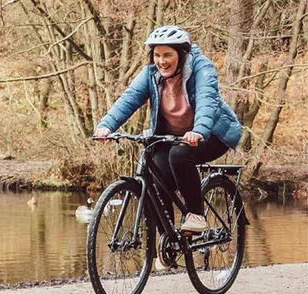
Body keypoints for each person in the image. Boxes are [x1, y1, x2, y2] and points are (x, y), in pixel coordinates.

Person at [93, 25, 242, 233]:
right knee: (157, 176)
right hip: (172, 136)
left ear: (181, 54)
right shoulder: (151, 74)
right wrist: (106, 126)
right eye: (157, 55)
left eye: (167, 55)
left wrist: (199, 130)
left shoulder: (202, 68)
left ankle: (196, 215)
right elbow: (128, 100)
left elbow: (207, 101)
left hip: (212, 134)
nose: (162, 61)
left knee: (179, 154)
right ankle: (168, 243)